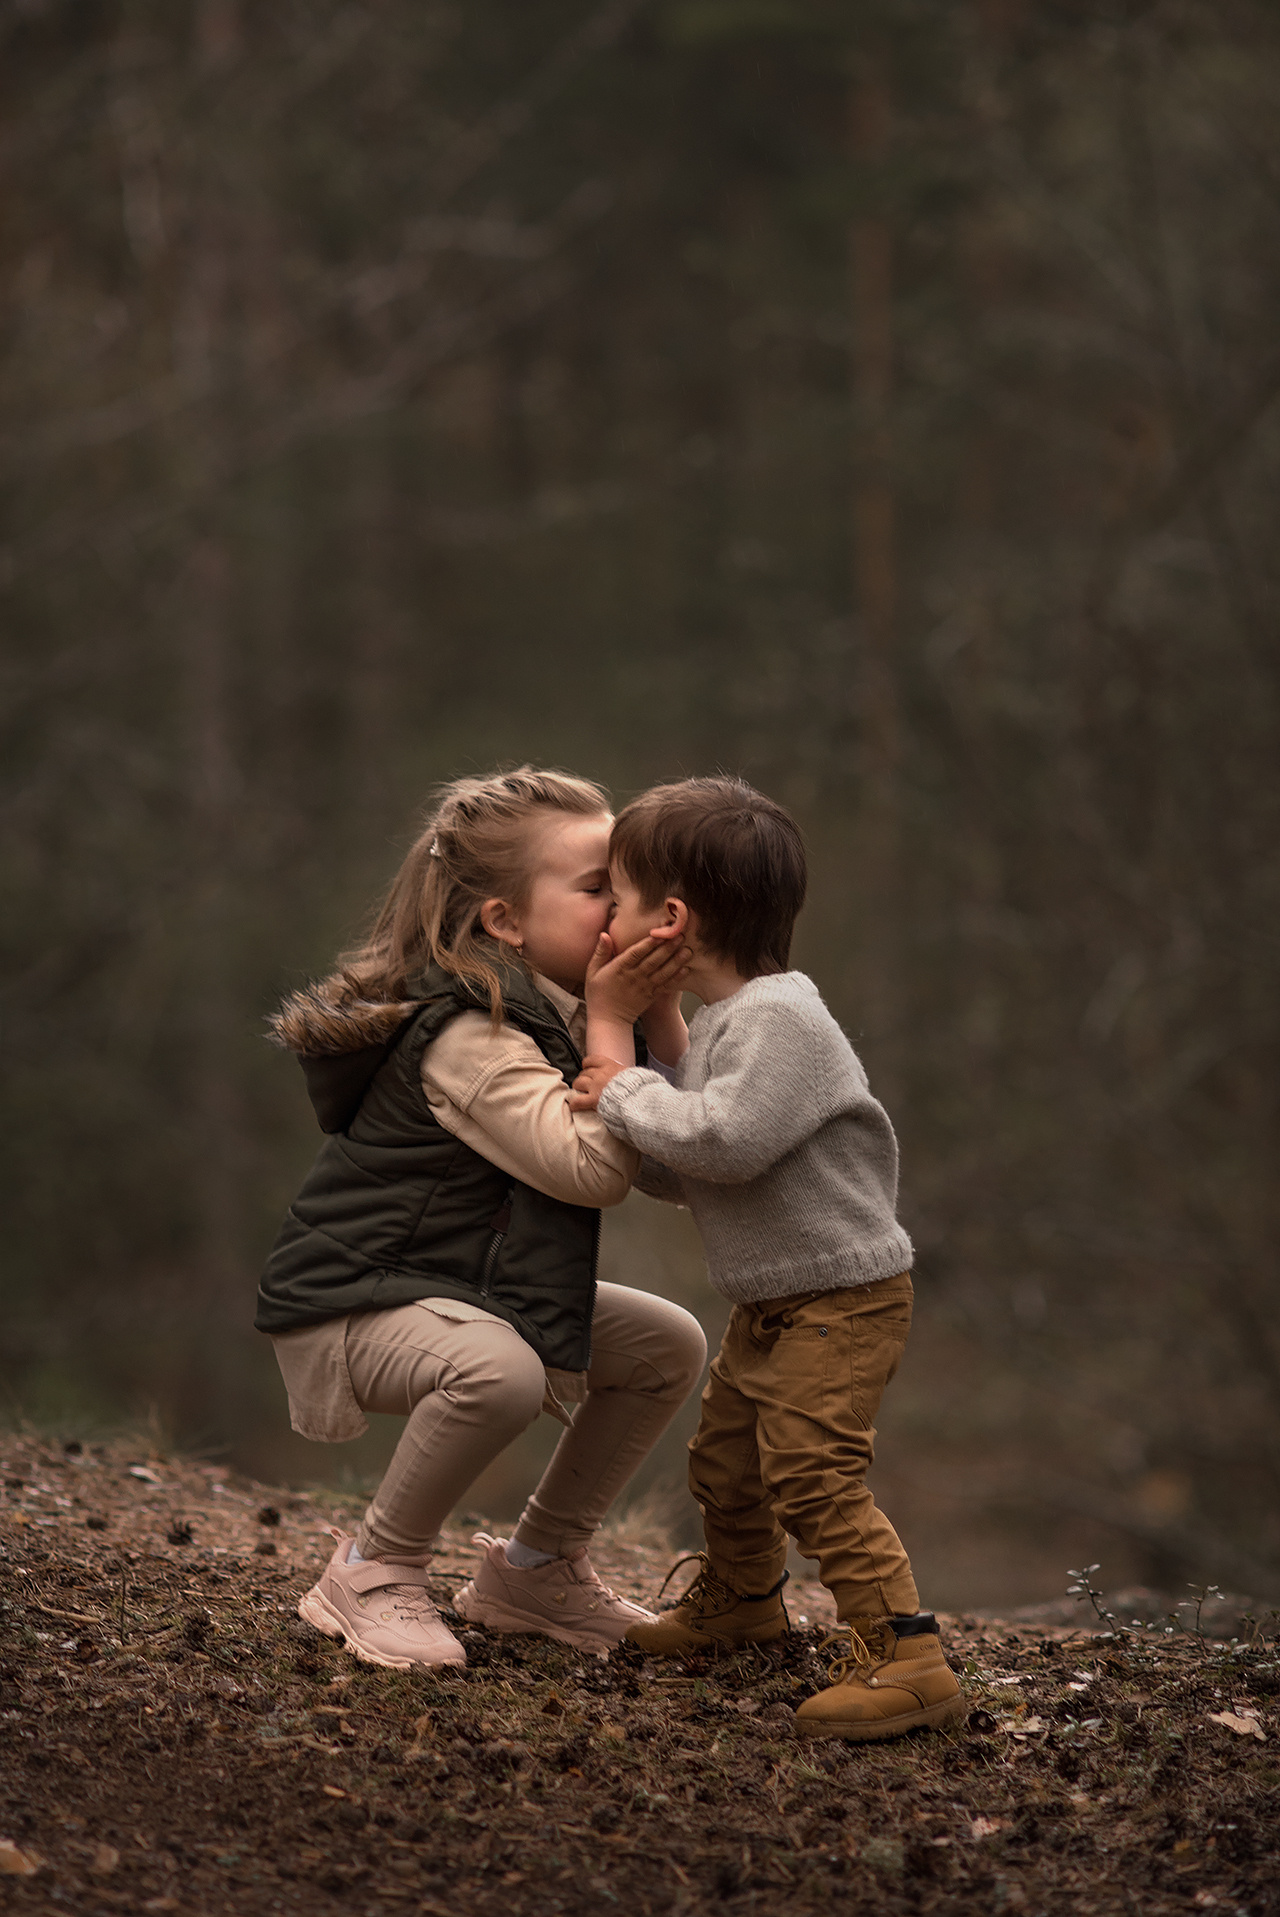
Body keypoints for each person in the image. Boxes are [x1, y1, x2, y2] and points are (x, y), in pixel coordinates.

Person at [256, 766, 707, 1671]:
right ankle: (372, 1569)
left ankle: (535, 1573)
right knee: (498, 1371)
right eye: (597, 891)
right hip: (352, 1302)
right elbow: (595, 1172)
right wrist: (618, 1027)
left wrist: (657, 1021)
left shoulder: (566, 1015)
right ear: (504, 920)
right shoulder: (473, 1037)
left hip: (462, 1283)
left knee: (667, 1344)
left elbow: (686, 1155)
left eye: (629, 889)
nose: (627, 914)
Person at [570, 777, 964, 1742]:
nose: (602, 918)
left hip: (843, 1297)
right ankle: (743, 1604)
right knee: (729, 1462)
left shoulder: (784, 1018)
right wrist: (654, 1056)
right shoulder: (727, 1025)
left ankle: (909, 1658)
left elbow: (723, 1142)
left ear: (669, 917)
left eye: (613, 898)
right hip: (776, 1302)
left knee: (812, 1472)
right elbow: (690, 1173)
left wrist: (616, 1065)